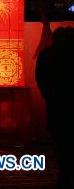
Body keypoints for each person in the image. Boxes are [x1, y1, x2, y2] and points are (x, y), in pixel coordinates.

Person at [36, 26, 74, 188]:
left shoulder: (47, 55)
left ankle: (64, 174)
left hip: (56, 103)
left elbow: (41, 77)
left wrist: (47, 94)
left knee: (61, 142)